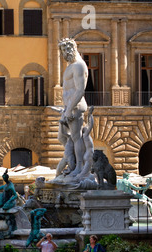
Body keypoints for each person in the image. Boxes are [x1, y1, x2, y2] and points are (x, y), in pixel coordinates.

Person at [58, 37, 89, 177]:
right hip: (68, 107)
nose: (64, 53)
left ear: (73, 48)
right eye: (62, 50)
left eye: (66, 49)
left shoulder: (79, 66)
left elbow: (80, 89)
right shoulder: (70, 66)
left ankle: (79, 167)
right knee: (62, 137)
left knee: (77, 138)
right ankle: (72, 163)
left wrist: (70, 109)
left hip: (75, 107)